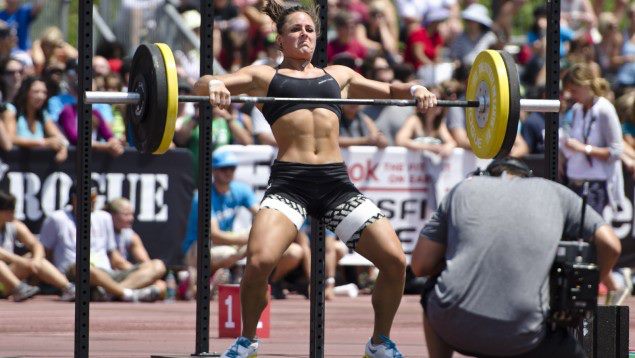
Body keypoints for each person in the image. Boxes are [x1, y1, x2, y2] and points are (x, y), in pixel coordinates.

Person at [194, 1, 437, 356]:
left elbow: (389, 90)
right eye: (295, 29)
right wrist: (214, 83)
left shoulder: (338, 76)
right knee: (260, 262)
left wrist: (416, 90)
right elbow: (201, 84)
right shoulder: (265, 77)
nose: (303, 35)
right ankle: (247, 340)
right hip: (289, 185)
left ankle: (379, 343)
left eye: (309, 29)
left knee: (395, 261)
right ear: (280, 40)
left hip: (336, 187)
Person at [411, 157, 622, 358]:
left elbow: (420, 266)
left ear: (486, 175)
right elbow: (611, 245)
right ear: (526, 178)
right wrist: (589, 289)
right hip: (523, 335)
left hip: (454, 327)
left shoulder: (464, 187)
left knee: (433, 286)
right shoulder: (556, 192)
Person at [181, 151, 305, 299]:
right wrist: (252, 239)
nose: (228, 172)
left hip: (230, 244)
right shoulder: (203, 196)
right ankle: (204, 281)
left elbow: (263, 214)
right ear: (214, 170)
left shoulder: (240, 190)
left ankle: (270, 282)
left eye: (231, 168)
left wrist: (270, 233)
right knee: (230, 253)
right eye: (223, 168)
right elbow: (215, 235)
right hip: (199, 247)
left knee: (294, 252)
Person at [39, 183, 165, 302]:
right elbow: (46, 253)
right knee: (84, 266)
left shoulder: (104, 217)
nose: (93, 201)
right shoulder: (57, 219)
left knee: (158, 265)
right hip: (75, 272)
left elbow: (114, 258)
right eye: (89, 197)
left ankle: (112, 293)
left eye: (95, 197)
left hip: (107, 274)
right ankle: (124, 293)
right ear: (74, 198)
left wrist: (139, 273)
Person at [560, 63, 624, 217]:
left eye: (574, 91)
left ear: (586, 85)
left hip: (594, 186)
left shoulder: (604, 109)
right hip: (574, 181)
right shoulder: (576, 109)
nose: (571, 96)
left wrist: (584, 148)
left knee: (590, 236)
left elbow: (616, 151)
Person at [0, 191, 75, 301]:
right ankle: (19, 288)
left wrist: (36, 261)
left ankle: (68, 288)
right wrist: (22, 262)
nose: (13, 212)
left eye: (13, 208)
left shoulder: (14, 225)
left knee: (33, 257)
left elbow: (36, 245)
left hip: (5, 282)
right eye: (9, 209)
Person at [103, 197, 166, 282]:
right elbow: (117, 262)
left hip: (123, 275)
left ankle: (121, 292)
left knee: (159, 277)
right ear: (111, 215)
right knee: (156, 269)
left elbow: (145, 262)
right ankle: (120, 292)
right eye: (126, 214)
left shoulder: (129, 234)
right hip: (105, 275)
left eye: (131, 214)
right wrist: (142, 273)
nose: (131, 218)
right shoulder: (102, 231)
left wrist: (149, 274)